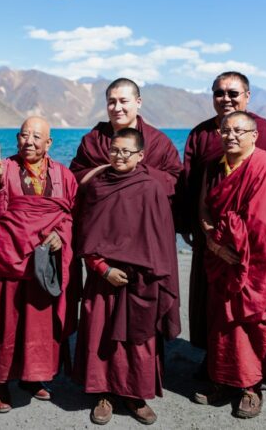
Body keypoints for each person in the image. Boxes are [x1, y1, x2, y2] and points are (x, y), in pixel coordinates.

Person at [177, 71, 266, 354]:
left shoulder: (262, 129)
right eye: (219, 93)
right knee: (212, 300)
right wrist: (190, 225)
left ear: (247, 96)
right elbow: (190, 183)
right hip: (212, 235)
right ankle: (215, 362)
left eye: (233, 93)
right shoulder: (200, 134)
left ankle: (252, 369)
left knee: (251, 301)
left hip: (254, 241)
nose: (226, 98)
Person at [74, 128, 180, 426]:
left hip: (140, 280)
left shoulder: (151, 188)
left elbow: (162, 240)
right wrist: (101, 268)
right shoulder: (98, 186)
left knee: (138, 338)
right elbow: (85, 233)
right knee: (100, 333)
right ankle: (102, 393)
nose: (119, 157)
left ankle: (135, 394)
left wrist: (151, 274)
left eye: (126, 152)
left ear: (140, 156)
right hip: (103, 277)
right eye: (114, 150)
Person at [0, 116, 78, 412]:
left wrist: (62, 235)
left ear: (49, 143)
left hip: (43, 263)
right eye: (24, 135)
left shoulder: (63, 175)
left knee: (39, 326)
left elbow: (70, 215)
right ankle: (0, 383)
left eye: (37, 137)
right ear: (17, 139)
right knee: (4, 325)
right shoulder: (5, 168)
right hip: (9, 258)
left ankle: (32, 378)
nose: (29, 142)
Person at [191, 111, 266, 419]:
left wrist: (236, 250)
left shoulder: (263, 165)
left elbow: (263, 222)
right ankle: (223, 380)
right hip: (221, 257)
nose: (231, 135)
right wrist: (214, 242)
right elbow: (204, 208)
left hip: (253, 261)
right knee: (221, 322)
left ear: (254, 136)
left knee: (249, 322)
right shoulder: (214, 167)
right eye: (225, 130)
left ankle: (251, 387)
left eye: (239, 130)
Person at [69, 77, 181, 199]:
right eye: (111, 102)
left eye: (123, 101)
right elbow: (73, 179)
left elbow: (176, 181)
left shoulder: (159, 142)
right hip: (101, 211)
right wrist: (105, 170)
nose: (117, 108)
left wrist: (137, 171)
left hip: (144, 210)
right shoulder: (93, 140)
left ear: (138, 102)